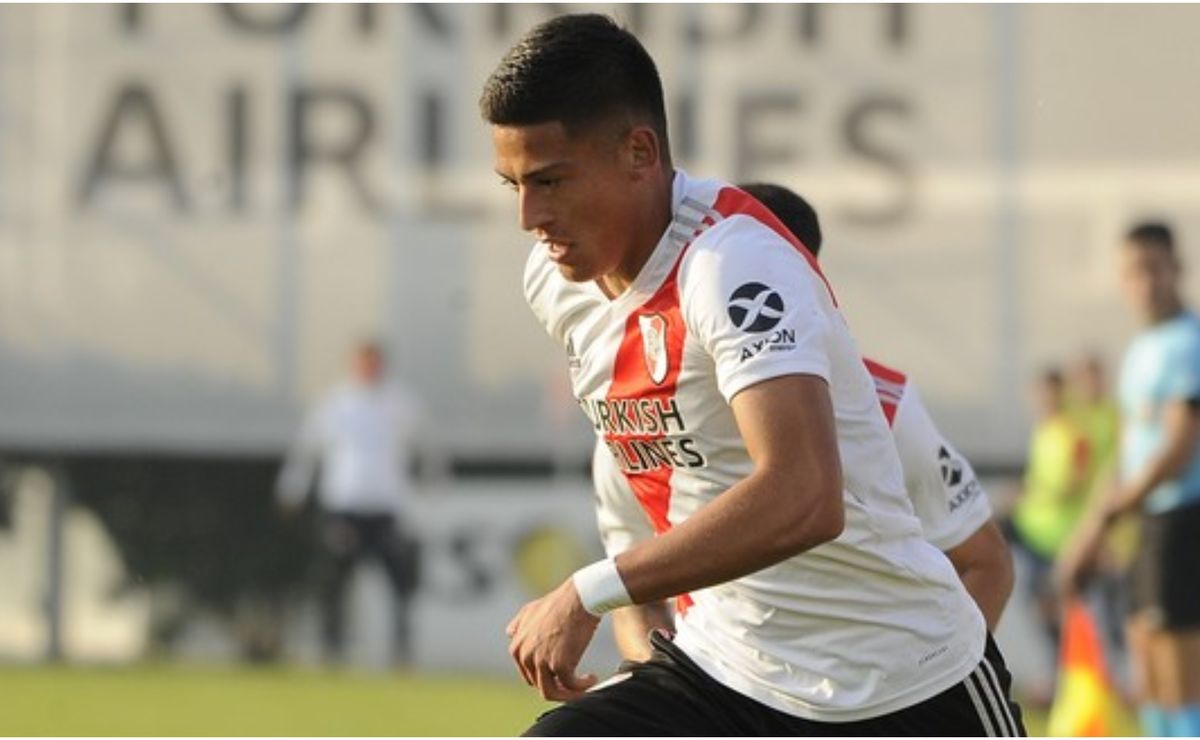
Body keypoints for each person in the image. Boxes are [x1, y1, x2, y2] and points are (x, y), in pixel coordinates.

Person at [482, 14, 1023, 735]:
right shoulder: (557, 282)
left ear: (640, 152)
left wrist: (589, 593)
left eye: (550, 180)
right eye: (514, 185)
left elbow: (804, 494)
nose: (530, 216)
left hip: (900, 684)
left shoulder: (731, 263)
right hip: (728, 670)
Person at [596, 183, 1013, 664]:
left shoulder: (887, 409)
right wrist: (668, 679)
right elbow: (632, 600)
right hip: (721, 679)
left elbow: (986, 563)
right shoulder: (636, 419)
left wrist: (934, 680)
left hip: (871, 686)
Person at [1059, 222, 1200, 736]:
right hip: (1148, 524)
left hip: (1182, 521)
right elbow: (1126, 451)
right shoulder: (1142, 349)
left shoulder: (1188, 342)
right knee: (1145, 662)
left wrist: (1119, 509)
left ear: (1176, 268)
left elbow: (1179, 445)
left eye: (1154, 269)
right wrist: (1090, 532)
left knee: (1180, 674)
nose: (1145, 283)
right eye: (1134, 272)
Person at [276, 339, 423, 666]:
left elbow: (423, 446)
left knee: (399, 580)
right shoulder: (335, 403)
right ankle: (331, 647)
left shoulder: (401, 402)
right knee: (335, 580)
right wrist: (293, 487)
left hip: (385, 507)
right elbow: (308, 447)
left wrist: (429, 483)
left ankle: (401, 650)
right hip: (344, 506)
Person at [1008, 368, 1092, 660]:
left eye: (1048, 392)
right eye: (1038, 394)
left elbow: (1074, 485)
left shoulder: (1074, 433)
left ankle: (1070, 663)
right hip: (1033, 530)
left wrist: (1031, 494)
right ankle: (1059, 663)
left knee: (1066, 604)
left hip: (1060, 537)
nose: (1042, 400)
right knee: (1037, 601)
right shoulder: (1042, 430)